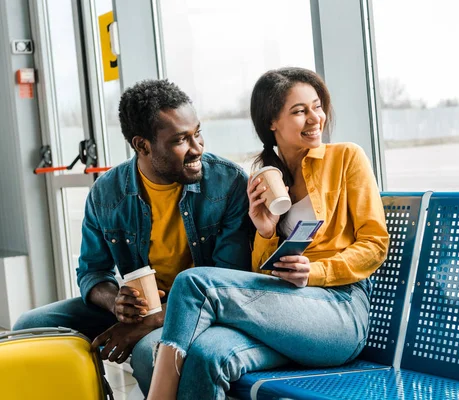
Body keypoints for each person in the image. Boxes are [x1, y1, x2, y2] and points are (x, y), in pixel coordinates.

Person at [146, 67, 390, 400]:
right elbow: (261, 273)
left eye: (317, 107)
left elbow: (375, 245)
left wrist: (315, 272)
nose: (315, 118)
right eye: (300, 111)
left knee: (193, 283)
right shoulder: (265, 179)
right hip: (285, 316)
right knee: (208, 355)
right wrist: (265, 231)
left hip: (339, 312)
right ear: (272, 122)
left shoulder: (346, 158)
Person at [12, 79, 251, 395]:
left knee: (147, 352)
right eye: (181, 139)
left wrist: (147, 324)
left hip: (202, 307)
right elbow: (92, 272)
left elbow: (226, 282)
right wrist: (117, 304)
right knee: (31, 327)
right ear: (143, 145)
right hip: (143, 306)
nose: (197, 148)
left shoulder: (228, 183)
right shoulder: (107, 193)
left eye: (197, 132)